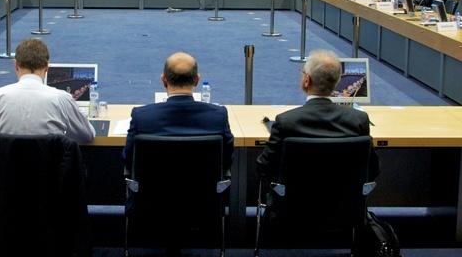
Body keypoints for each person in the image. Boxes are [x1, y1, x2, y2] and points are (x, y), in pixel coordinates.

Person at [256, 49, 378, 190]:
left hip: (295, 202)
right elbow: (373, 168)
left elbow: (264, 167)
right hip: (345, 202)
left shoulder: (286, 121)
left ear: (307, 80)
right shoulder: (358, 120)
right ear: (338, 81)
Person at [0, 38, 94, 145]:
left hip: (3, 170)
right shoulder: (61, 99)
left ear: (15, 65)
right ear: (47, 66)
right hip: (48, 170)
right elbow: (88, 135)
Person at [123, 52, 234, 173]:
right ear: (197, 80)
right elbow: (226, 160)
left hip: (152, 185)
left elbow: (128, 159)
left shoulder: (141, 117)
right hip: (205, 185)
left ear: (164, 80)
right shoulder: (218, 117)